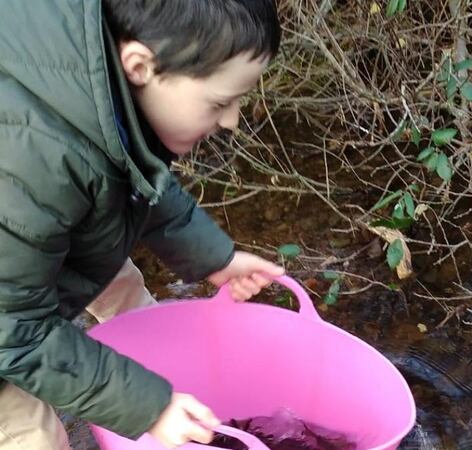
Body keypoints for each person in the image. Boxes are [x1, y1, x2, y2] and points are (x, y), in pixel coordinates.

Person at [0, 1, 284, 448]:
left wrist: (215, 256)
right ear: (140, 65)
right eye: (220, 102)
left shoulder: (96, 82)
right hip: (7, 320)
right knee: (32, 434)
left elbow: (139, 178)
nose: (231, 121)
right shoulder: (30, 160)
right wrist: (147, 407)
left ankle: (152, 356)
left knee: (109, 262)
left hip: (20, 256)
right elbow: (14, 331)